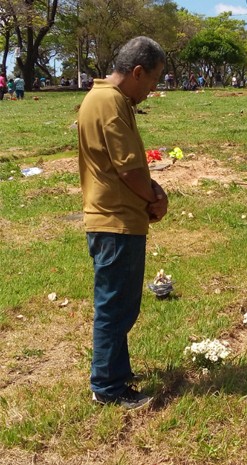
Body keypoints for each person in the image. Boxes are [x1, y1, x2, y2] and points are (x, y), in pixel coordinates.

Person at [77, 36, 168, 410]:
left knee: (122, 304)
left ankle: (117, 370)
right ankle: (107, 386)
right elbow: (129, 169)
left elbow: (129, 167)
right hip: (115, 221)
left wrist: (152, 188)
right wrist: (155, 199)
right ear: (136, 72)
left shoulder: (108, 99)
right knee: (115, 306)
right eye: (153, 79)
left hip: (117, 218)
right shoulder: (111, 102)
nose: (153, 88)